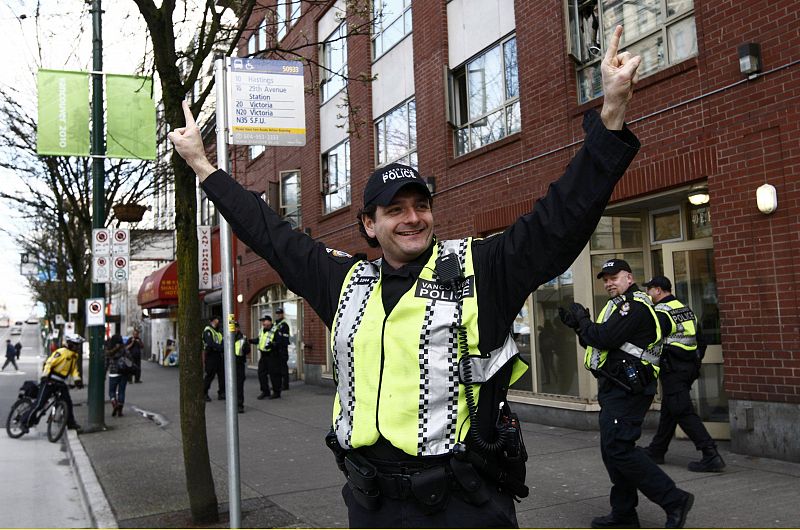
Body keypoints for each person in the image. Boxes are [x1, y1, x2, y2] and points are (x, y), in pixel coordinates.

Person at [170, 25, 641, 528]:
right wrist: (203, 167)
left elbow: (559, 220)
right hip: (371, 503)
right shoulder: (345, 281)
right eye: (395, 210)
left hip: (462, 504)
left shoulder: (480, 267)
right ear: (369, 225)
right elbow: (271, 235)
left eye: (421, 206)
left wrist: (609, 117)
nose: (412, 218)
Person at [559, 259, 694, 528]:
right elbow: (595, 338)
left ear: (629, 278)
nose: (609, 283)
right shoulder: (617, 307)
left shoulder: (633, 307)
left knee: (619, 449)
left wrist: (584, 321)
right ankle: (624, 513)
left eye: (614, 277)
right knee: (612, 451)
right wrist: (579, 326)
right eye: (605, 279)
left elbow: (604, 338)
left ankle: (673, 499)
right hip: (615, 387)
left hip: (629, 390)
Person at [641, 275, 725, 473]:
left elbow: (652, 341)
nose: (648, 293)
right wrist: (694, 363)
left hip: (674, 370)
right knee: (670, 410)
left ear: (658, 290)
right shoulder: (684, 308)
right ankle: (657, 450)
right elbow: (700, 340)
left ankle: (710, 453)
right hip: (687, 369)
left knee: (682, 411)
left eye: (649, 289)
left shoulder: (661, 312)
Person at [23, 333, 84, 432]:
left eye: (78, 345)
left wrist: (77, 380)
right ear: (70, 344)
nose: (78, 347)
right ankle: (25, 422)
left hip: (60, 383)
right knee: (40, 404)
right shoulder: (61, 352)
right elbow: (49, 363)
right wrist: (45, 376)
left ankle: (71, 423)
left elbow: (73, 370)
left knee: (68, 403)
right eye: (76, 345)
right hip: (49, 381)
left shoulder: (73, 356)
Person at [250, 315, 276, 400]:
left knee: (273, 374)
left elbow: (281, 342)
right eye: (262, 322)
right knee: (261, 374)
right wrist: (251, 341)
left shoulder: (275, 330)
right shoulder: (262, 330)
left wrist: (273, 345)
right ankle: (265, 391)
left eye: (264, 321)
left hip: (272, 355)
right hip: (263, 355)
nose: (263, 323)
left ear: (269, 321)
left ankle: (276, 392)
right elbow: (259, 340)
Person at [105, 334, 131, 417]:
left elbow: (106, 362)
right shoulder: (124, 348)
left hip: (113, 373)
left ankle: (114, 403)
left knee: (111, 391)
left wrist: (104, 372)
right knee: (121, 391)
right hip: (123, 372)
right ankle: (120, 410)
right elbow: (130, 358)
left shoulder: (110, 350)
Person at [202, 316, 225, 402]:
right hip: (211, 355)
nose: (218, 321)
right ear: (212, 321)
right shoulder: (208, 331)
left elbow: (221, 341)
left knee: (222, 375)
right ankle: (204, 393)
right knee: (210, 375)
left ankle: (222, 393)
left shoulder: (218, 332)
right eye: (216, 320)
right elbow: (210, 343)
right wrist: (220, 348)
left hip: (218, 356)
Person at [234, 321, 251, 413]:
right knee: (230, 385)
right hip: (230, 365)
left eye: (236, 327)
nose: (235, 329)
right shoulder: (227, 337)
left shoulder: (243, 338)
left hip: (239, 364)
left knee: (239, 386)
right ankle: (232, 404)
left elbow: (248, 350)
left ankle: (240, 405)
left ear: (238, 328)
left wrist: (245, 349)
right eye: (233, 327)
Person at [273, 307, 291, 391]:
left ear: (282, 314)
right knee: (277, 368)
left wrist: (278, 342)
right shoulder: (275, 324)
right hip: (276, 349)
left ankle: (285, 385)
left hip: (282, 348)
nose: (278, 315)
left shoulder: (284, 324)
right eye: (277, 313)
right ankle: (278, 384)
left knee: (283, 367)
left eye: (279, 313)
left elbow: (284, 338)